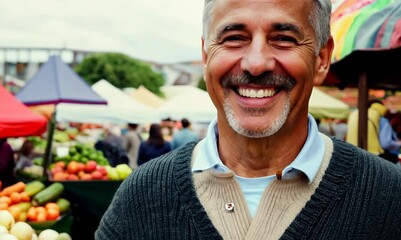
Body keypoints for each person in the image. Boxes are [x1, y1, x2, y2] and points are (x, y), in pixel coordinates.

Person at [96, 0, 401, 239]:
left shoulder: (388, 198)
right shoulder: (140, 197)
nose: (256, 64)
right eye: (234, 38)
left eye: (283, 38)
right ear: (205, 56)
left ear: (321, 59)